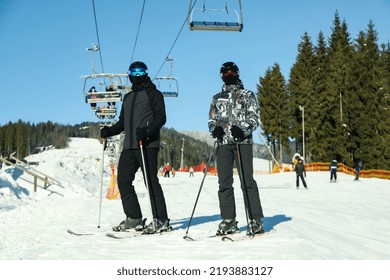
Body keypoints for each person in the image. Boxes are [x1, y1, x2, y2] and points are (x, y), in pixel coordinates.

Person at [100, 61, 171, 234]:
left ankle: (161, 220)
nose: (137, 76)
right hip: (130, 145)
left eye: (141, 72)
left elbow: (161, 117)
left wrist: (147, 130)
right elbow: (123, 123)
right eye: (134, 72)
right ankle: (134, 218)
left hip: (147, 144)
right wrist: (108, 131)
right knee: (123, 180)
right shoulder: (128, 98)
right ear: (129, 75)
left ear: (146, 73)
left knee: (151, 182)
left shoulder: (154, 94)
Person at [208, 61, 264, 236]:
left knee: (247, 181)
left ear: (238, 73)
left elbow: (255, 117)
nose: (229, 75)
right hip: (223, 144)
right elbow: (211, 119)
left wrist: (243, 129)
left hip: (242, 142)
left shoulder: (247, 95)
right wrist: (214, 129)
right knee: (224, 182)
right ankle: (228, 220)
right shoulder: (217, 98)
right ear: (221, 76)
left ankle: (255, 219)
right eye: (225, 73)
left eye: (232, 72)